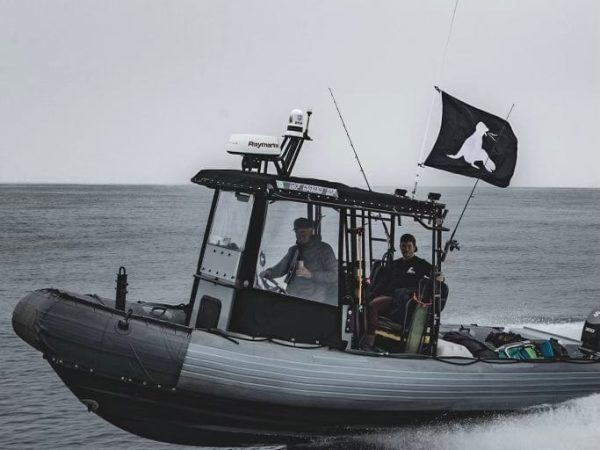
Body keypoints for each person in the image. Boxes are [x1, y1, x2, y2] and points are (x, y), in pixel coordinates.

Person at [362, 233, 446, 351]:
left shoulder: (420, 263)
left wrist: (440, 277)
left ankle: (369, 343)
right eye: (403, 246)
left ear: (414, 247)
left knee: (373, 305)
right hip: (390, 296)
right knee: (364, 302)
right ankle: (364, 337)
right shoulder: (394, 264)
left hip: (404, 299)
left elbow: (437, 275)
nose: (406, 249)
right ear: (400, 247)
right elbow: (383, 283)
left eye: (409, 246)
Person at [260, 217, 337, 303]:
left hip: (314, 301)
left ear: (311, 231)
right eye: (297, 232)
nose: (299, 235)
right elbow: (281, 267)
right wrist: (269, 272)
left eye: (303, 232)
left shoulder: (324, 249)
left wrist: (311, 275)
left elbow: (334, 275)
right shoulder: (294, 250)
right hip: (291, 296)